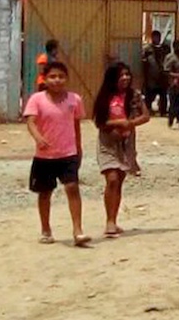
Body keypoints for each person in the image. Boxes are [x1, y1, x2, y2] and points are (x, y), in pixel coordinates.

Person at [24, 60, 90, 246]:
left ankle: (78, 231)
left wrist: (79, 148)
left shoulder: (74, 100)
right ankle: (46, 229)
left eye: (61, 76)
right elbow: (30, 122)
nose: (57, 80)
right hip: (44, 156)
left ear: (67, 79)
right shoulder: (37, 99)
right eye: (52, 76)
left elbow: (76, 125)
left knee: (72, 188)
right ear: (45, 79)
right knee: (45, 193)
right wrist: (38, 137)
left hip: (68, 153)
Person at [92, 62, 149, 238]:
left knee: (120, 181)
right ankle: (109, 221)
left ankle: (113, 219)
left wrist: (130, 123)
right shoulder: (105, 97)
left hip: (126, 145)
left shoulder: (134, 96)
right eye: (121, 75)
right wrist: (117, 123)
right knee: (112, 179)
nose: (125, 78)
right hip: (107, 144)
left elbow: (146, 116)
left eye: (127, 74)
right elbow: (99, 122)